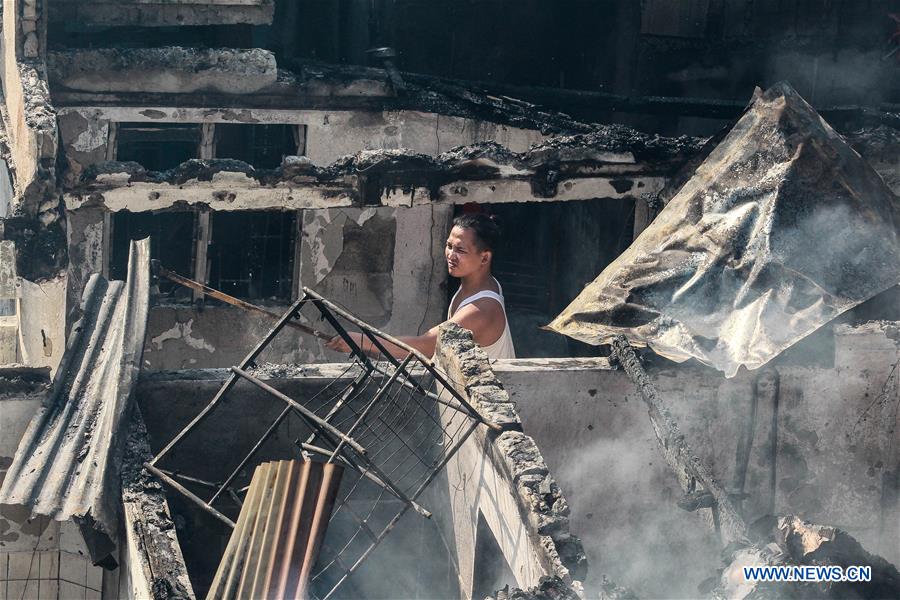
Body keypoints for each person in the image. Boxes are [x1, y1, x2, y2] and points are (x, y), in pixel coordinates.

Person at [325, 213, 516, 360]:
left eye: (460, 250)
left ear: (484, 257)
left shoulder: (481, 309)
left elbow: (427, 345)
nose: (450, 255)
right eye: (449, 246)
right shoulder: (482, 284)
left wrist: (361, 341)